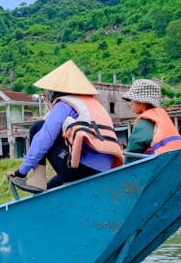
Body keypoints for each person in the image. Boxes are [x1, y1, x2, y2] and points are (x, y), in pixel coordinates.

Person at [8, 60, 124, 192]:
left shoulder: (64, 104)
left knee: (38, 127)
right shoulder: (94, 105)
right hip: (104, 168)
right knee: (51, 188)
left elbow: (44, 139)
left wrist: (21, 172)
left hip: (80, 167)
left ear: (56, 91)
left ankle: (38, 180)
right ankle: (45, 189)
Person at [122, 78, 181, 156]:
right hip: (177, 159)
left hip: (160, 164)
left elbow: (133, 150)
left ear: (143, 102)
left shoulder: (144, 122)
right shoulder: (161, 117)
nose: (130, 103)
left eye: (132, 100)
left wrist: (127, 166)